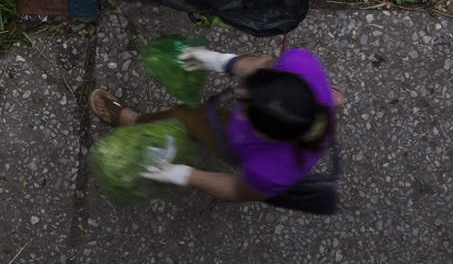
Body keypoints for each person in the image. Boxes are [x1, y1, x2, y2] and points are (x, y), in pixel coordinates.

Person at [90, 46, 342, 202]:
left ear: (266, 137)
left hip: (244, 149)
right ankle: (331, 97)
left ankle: (134, 121)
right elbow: (265, 64)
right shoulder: (300, 64)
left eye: (245, 109)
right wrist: (218, 61)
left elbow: (234, 189)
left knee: (186, 118)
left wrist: (182, 175)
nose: (239, 95)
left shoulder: (271, 171)